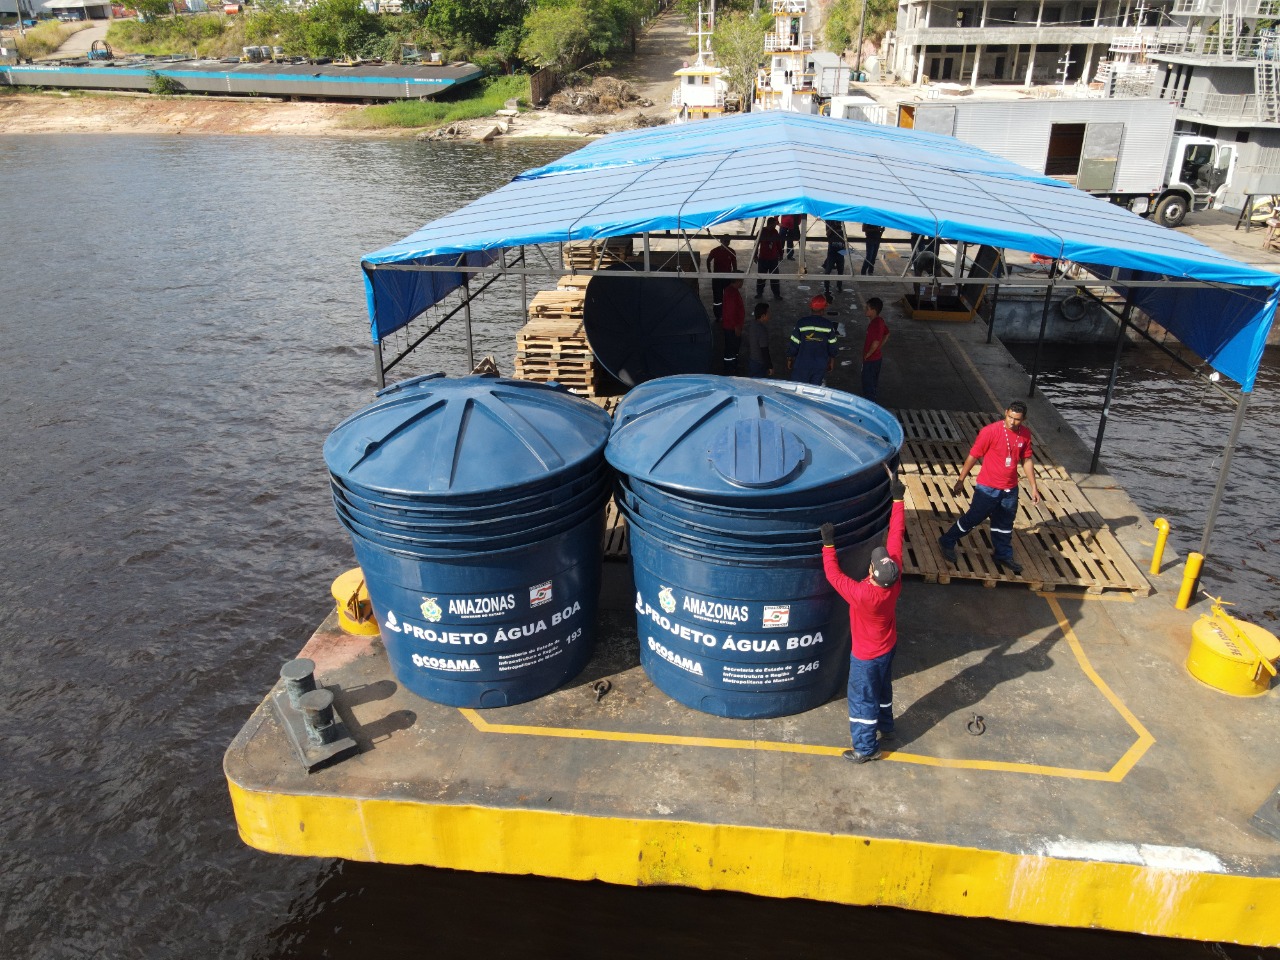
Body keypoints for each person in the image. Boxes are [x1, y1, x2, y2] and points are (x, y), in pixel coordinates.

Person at [820, 466, 906, 763]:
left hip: (866, 657)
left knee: (861, 700)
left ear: (872, 571)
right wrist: (897, 501)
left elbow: (833, 575)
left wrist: (828, 543)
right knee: (882, 689)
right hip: (887, 647)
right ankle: (888, 726)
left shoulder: (863, 594)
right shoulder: (893, 579)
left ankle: (867, 749)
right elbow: (897, 533)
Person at [937, 401, 1041, 575]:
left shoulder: (1025, 435)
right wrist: (961, 479)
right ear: (1005, 412)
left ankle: (1002, 554)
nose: (1012, 422)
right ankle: (947, 540)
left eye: (1017, 419)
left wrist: (1034, 486)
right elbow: (973, 455)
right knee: (973, 518)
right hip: (987, 488)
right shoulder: (990, 432)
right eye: (1009, 417)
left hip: (1010, 490)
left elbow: (1027, 460)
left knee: (1005, 523)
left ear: (1024, 419)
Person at [786, 294, 839, 385]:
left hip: (802, 365)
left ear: (811, 308)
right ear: (823, 310)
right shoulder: (828, 325)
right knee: (813, 392)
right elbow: (832, 347)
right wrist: (832, 361)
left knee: (798, 391)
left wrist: (790, 358)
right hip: (820, 365)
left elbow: (794, 344)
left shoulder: (801, 323)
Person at [860, 297, 888, 403]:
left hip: (871, 361)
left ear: (874, 310)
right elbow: (887, 334)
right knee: (873, 385)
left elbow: (875, 342)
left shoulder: (875, 324)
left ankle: (869, 409)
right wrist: (878, 348)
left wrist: (868, 354)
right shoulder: (880, 321)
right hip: (876, 359)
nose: (865, 310)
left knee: (868, 387)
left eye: (867, 308)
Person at [706, 235, 738, 322]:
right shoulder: (715, 251)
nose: (727, 243)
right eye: (725, 241)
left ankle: (727, 314)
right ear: (721, 241)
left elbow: (734, 265)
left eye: (728, 241)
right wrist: (709, 271)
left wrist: (735, 275)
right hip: (717, 278)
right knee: (717, 298)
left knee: (728, 296)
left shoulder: (732, 252)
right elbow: (708, 260)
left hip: (727, 277)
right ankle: (718, 315)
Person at [754, 217, 784, 300]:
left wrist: (781, 254)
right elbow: (756, 244)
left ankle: (776, 294)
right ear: (770, 224)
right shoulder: (761, 231)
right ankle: (759, 293)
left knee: (775, 278)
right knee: (761, 277)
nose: (775, 225)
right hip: (763, 258)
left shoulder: (775, 232)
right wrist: (755, 255)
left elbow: (778, 244)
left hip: (773, 259)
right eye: (774, 224)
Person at [720, 277, 745, 374]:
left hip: (731, 326)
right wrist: (736, 326)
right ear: (737, 281)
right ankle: (730, 368)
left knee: (732, 347)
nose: (743, 283)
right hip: (731, 327)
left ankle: (733, 364)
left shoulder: (731, 291)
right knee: (731, 348)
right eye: (742, 281)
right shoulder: (731, 293)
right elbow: (731, 311)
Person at [744, 301, 773, 378]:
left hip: (752, 360)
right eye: (768, 313)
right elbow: (764, 350)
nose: (770, 315)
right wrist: (769, 366)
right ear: (763, 316)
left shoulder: (752, 324)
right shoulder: (762, 330)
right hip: (759, 363)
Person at [822, 220, 846, 297]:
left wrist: (844, 250)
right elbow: (827, 234)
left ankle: (839, 286)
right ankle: (826, 288)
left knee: (840, 270)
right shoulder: (830, 226)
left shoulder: (842, 230)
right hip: (832, 252)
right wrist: (833, 227)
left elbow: (845, 240)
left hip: (840, 251)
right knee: (828, 271)